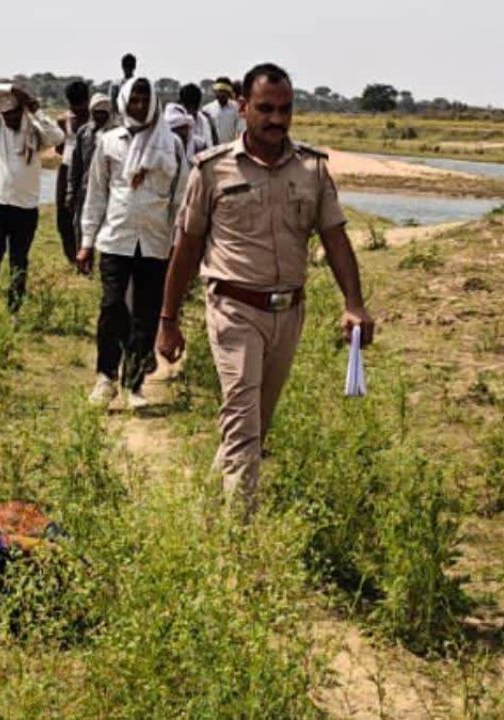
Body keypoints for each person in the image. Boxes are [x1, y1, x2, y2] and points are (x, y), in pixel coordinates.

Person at [156, 63, 375, 516]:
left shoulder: (312, 170)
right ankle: (240, 548)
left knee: (256, 423)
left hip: (288, 314)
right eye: (265, 109)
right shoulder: (213, 171)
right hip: (234, 310)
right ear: (242, 108)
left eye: (285, 110)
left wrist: (354, 303)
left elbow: (335, 237)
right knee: (242, 423)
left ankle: (206, 513)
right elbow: (188, 246)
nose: (276, 119)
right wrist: (168, 320)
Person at [79, 77, 186, 409]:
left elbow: (180, 199)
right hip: (115, 239)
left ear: (153, 103)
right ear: (125, 103)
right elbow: (96, 194)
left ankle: (134, 384)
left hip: (155, 244)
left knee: (146, 314)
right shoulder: (110, 142)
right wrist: (86, 241)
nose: (139, 106)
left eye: (145, 100)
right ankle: (105, 377)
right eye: (134, 100)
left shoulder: (171, 146)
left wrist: (178, 245)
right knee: (112, 308)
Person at [0, 83, 65, 312]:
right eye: (5, 114)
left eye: (13, 113)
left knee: (19, 261)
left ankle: (14, 310)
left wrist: (35, 108)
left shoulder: (35, 131)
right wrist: (12, 88)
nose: (9, 119)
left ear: (21, 111)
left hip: (25, 209)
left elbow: (58, 136)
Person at [67, 93, 115, 260]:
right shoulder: (84, 132)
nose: (100, 115)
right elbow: (76, 164)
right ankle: (84, 261)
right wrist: (71, 191)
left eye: (104, 112)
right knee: (80, 223)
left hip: (107, 189)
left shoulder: (115, 134)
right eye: (96, 112)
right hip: (85, 186)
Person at [56, 80, 91, 267]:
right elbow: (59, 147)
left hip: (88, 171)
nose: (77, 110)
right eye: (74, 106)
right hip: (66, 168)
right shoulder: (64, 121)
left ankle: (86, 256)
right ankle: (72, 258)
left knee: (86, 215)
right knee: (63, 216)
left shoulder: (95, 120)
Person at [202, 77, 244, 144]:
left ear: (228, 93)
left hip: (230, 148)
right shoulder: (207, 109)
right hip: (212, 150)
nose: (221, 94)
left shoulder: (237, 108)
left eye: (223, 91)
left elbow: (240, 130)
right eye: (219, 91)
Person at [178, 84, 217, 148]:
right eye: (188, 108)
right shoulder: (175, 124)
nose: (191, 112)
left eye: (194, 108)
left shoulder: (207, 121)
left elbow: (215, 146)